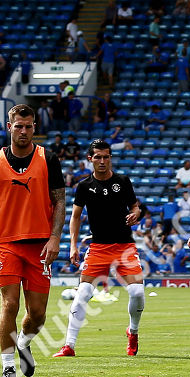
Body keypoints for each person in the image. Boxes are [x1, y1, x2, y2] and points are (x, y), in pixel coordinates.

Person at [0, 104, 65, 377]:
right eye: (18, 126)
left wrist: (55, 237)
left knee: (38, 315)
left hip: (40, 245)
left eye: (29, 126)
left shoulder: (49, 159)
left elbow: (59, 200)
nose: (23, 131)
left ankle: (23, 342)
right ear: (8, 127)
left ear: (35, 128)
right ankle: (7, 365)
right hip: (7, 243)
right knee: (9, 305)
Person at [54, 141, 149, 358]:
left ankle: (132, 331)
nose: (102, 161)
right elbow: (75, 217)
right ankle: (69, 345)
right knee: (84, 292)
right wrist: (73, 245)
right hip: (97, 248)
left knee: (137, 292)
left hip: (124, 246)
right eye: (98, 157)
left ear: (111, 158)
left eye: (106, 157)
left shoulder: (123, 182)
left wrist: (136, 214)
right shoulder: (84, 186)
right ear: (90, 159)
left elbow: (135, 207)